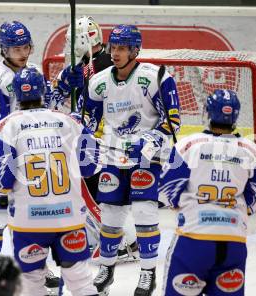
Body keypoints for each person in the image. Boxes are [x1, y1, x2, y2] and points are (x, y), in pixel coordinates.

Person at [82, 24, 181, 296]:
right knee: (111, 216)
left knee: (144, 213)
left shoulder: (156, 76)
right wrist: (85, 141)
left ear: (135, 50)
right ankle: (106, 268)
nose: (115, 53)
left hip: (146, 159)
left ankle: (148, 273)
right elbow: (88, 121)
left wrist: (149, 141)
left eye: (122, 48)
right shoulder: (98, 81)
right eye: (113, 47)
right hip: (113, 157)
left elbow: (172, 121)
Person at [0, 68, 102, 296]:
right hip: (68, 217)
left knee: (31, 282)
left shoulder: (4, 127)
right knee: (79, 279)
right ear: (44, 90)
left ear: (17, 95)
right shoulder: (70, 122)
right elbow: (90, 168)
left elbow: (2, 182)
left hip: (28, 222)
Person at [0, 20, 59, 291]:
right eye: (15, 48)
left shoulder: (33, 71)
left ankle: (37, 268)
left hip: (30, 155)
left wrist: (63, 90)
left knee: (31, 216)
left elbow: (46, 108)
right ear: (4, 49)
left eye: (26, 47)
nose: (23, 53)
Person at [159, 89, 256, 296]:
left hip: (194, 240)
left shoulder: (188, 145)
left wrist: (181, 204)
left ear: (208, 113)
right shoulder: (253, 151)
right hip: (234, 243)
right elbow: (253, 200)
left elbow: (165, 192)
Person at [52, 16, 140, 263]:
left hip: (103, 143)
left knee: (94, 195)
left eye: (71, 40)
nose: (68, 45)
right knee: (100, 196)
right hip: (95, 141)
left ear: (83, 40)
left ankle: (123, 241)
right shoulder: (87, 64)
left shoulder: (104, 65)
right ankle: (128, 241)